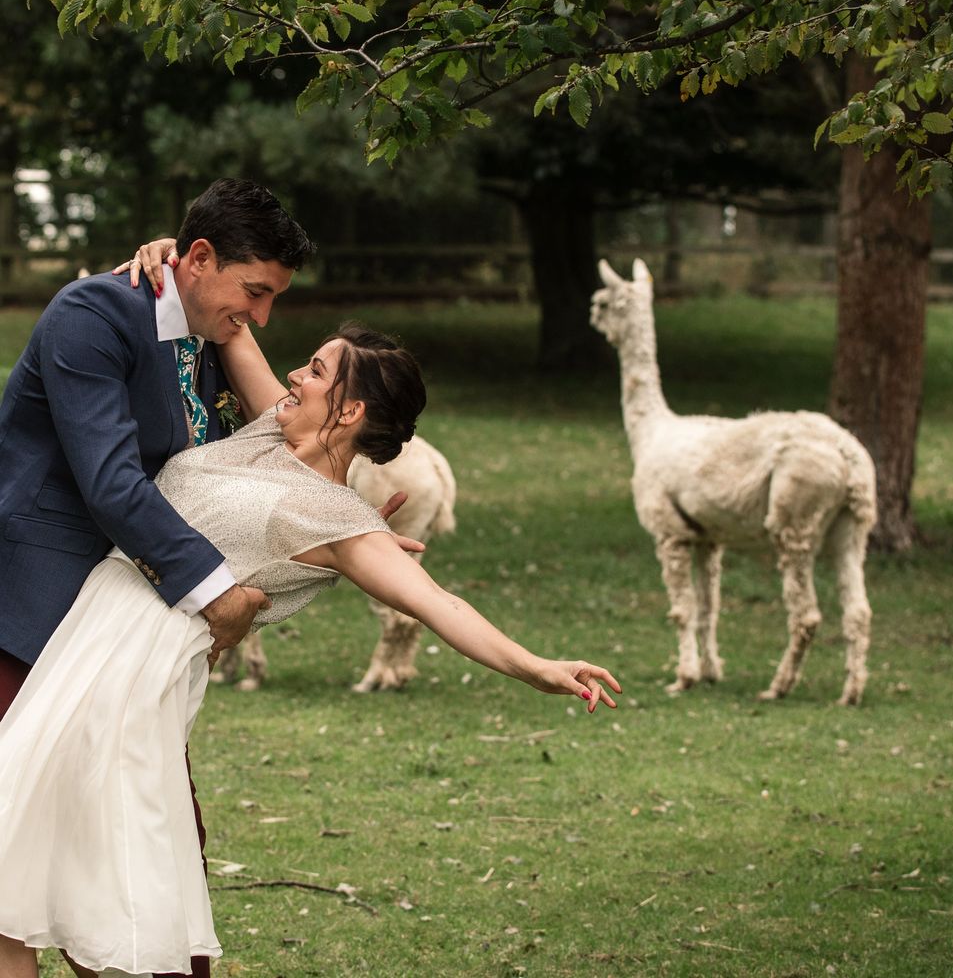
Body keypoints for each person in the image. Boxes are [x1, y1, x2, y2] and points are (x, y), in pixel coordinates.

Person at [0, 322, 622, 977]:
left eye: (318, 371)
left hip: (134, 672)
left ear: (349, 411)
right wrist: (167, 254)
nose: (297, 376)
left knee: (109, 888)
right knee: (16, 875)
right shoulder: (273, 429)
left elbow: (441, 606)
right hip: (83, 639)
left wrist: (536, 667)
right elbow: (229, 318)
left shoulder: (339, 520)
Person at [0, 179, 315, 978]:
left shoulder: (209, 328)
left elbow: (278, 444)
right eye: (255, 292)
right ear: (199, 258)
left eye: (275, 297)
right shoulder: (93, 317)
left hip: (124, 632)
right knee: (23, 851)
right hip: (33, 612)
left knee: (150, 852)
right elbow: (112, 483)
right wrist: (218, 595)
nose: (263, 314)